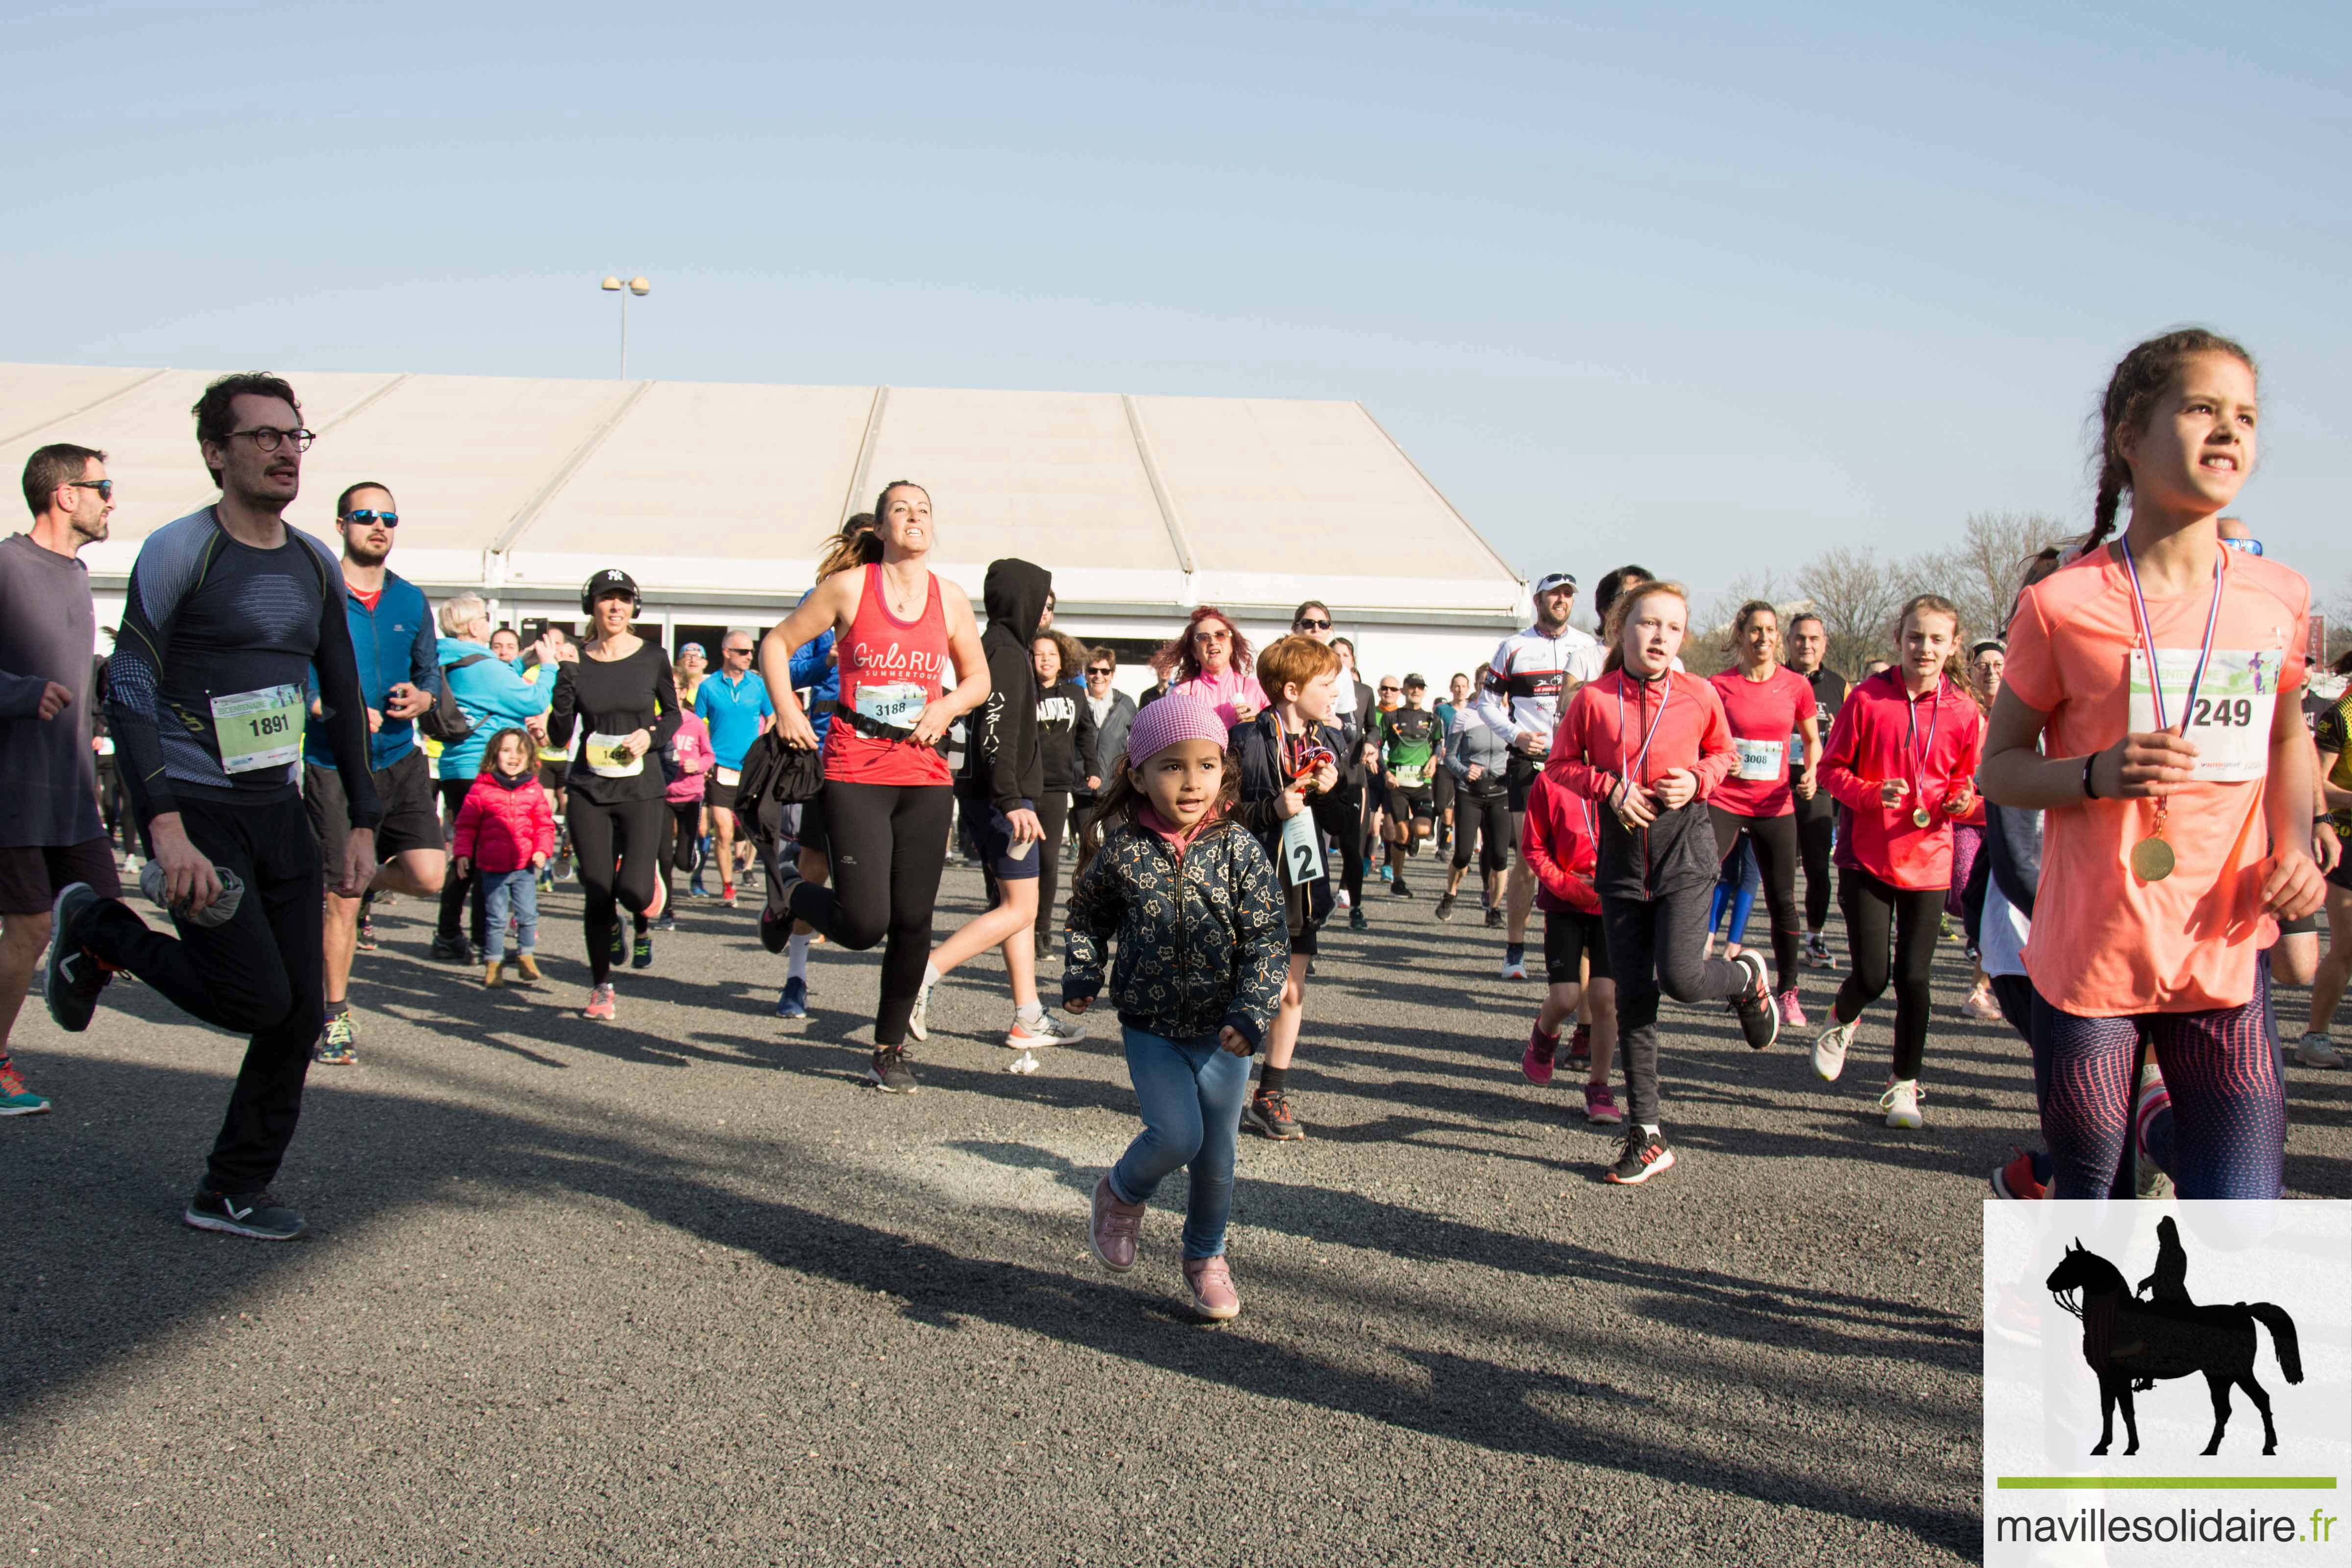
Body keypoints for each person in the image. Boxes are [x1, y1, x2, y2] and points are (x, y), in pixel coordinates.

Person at [1978, 328, 2323, 1200]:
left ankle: (2155, 1126)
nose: (2229, 431)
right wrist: (2095, 774)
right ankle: (2069, 1317)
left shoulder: (2277, 596)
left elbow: (2288, 737)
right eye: (2202, 408)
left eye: (2245, 416)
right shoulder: (2061, 606)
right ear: (2130, 435)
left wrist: (2297, 845)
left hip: (2224, 943)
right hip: (2097, 954)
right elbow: (2003, 769)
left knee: (2242, 1210)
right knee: (2093, 1200)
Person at [48, 373, 380, 1240]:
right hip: (195, 806)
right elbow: (127, 682)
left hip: (280, 808)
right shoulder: (180, 550)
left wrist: (362, 823)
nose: (284, 452)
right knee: (256, 1000)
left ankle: (230, 1190)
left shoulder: (312, 561)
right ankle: (102, 930)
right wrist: (163, 828)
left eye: (295, 437)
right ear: (216, 454)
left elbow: (341, 690)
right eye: (264, 437)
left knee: (303, 1011)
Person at [1545, 579, 1779, 1185]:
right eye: (1649, 624)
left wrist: (1697, 781)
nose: (1660, 637)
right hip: (1621, 866)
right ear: (1622, 628)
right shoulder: (1593, 699)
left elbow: (1724, 754)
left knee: (1680, 976)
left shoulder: (1699, 694)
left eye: (1673, 628)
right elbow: (1561, 766)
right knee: (1633, 999)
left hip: (1684, 855)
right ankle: (1647, 1131)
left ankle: (1746, 978)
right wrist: (1609, 787)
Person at [761, 483, 991, 1091]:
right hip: (854, 767)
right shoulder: (849, 587)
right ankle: (791, 895)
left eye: (924, 510)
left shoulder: (952, 598)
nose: (914, 518)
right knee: (864, 924)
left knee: (914, 919)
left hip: (924, 773)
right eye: (901, 510)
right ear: (883, 527)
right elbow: (776, 643)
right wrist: (787, 711)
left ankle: (888, 1050)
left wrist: (947, 707)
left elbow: (979, 679)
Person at [1069, 697, 1288, 1322]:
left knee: (1218, 1157)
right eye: (1171, 767)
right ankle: (1120, 1193)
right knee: (1178, 1134)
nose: (1191, 781)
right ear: (1138, 774)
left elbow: (1269, 938)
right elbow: (1088, 915)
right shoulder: (1121, 849)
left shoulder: (1241, 849)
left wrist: (1252, 1011)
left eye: (1206, 765)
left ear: (1225, 770)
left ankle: (1205, 1257)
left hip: (1226, 1033)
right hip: (1152, 1027)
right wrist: (1084, 970)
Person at [1810, 595, 1984, 1128]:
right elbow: (1831, 771)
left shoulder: (1963, 710)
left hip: (1929, 856)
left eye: (1936, 639)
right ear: (1898, 637)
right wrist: (1869, 794)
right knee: (1872, 973)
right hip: (1867, 854)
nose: (1924, 647)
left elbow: (1974, 786)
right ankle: (1841, 1018)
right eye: (1915, 637)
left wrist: (1963, 802)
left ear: (1953, 645)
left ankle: (1903, 1085)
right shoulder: (1867, 698)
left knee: (1914, 976)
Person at [913, 559, 1086, 1065]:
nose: (1045, 610)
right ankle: (921, 975)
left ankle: (1028, 1015)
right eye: (1042, 599)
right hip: (1003, 800)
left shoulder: (995, 646)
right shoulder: (1008, 654)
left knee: (1020, 909)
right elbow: (996, 733)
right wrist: (1013, 800)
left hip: (989, 795)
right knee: (1020, 909)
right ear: (1023, 600)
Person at [303, 483, 444, 1064]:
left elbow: (430, 673)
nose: (378, 525)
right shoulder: (315, 592)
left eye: (388, 517)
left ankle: (368, 885)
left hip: (399, 759)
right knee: (340, 896)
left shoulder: (411, 600)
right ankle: (334, 1016)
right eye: (365, 516)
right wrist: (332, 707)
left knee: (430, 876)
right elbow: (290, 675)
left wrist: (422, 697)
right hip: (334, 763)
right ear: (342, 524)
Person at [0, 444, 117, 1117]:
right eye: (102, 486)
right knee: (30, 928)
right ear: (64, 494)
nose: (111, 500)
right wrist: (20, 693)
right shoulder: (5, 566)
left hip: (72, 791)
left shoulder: (75, 574)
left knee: (108, 918)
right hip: (12, 788)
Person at [539, 568, 678, 1018]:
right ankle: (601, 986)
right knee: (597, 890)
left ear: (634, 607)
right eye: (606, 599)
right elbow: (560, 733)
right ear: (592, 607)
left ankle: (639, 902)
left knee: (634, 892)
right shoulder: (576, 660)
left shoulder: (653, 656)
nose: (615, 607)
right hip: (589, 788)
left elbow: (673, 716)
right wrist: (563, 676)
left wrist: (650, 736)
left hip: (641, 787)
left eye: (623, 599)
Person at [1229, 634, 1346, 1140]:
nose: (1335, 694)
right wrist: (1272, 810)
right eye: (1327, 684)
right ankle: (1222, 1085)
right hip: (1252, 875)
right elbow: (1223, 811)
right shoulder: (1246, 738)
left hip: (1303, 875)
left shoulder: (1331, 741)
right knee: (1246, 986)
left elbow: (1349, 817)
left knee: (1292, 991)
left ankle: (1270, 1093)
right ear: (1292, 689)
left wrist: (1338, 784)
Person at [765, 515, 870, 1020]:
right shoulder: (824, 597)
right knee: (816, 863)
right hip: (827, 745)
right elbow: (784, 662)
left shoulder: (905, 601)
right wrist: (827, 662)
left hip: (884, 751)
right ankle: (796, 978)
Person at [1475, 572, 1600, 979]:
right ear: (1538, 601)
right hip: (1530, 760)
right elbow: (1486, 705)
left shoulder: (1588, 647)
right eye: (1554, 596)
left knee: (1580, 857)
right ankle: (1515, 950)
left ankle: (1573, 947)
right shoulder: (1513, 647)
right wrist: (1516, 734)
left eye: (1568, 596)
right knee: (1528, 860)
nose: (1562, 602)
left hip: (1579, 763)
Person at [1706, 601, 1823, 1029]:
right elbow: (1703, 739)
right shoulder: (1719, 685)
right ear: (1742, 635)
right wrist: (1721, 759)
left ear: (1779, 637)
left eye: (1770, 631)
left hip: (1775, 804)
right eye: (1755, 630)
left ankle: (1789, 991)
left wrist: (1811, 773)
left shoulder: (1796, 686)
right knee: (1698, 878)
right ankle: (1686, 964)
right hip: (1726, 800)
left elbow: (1811, 740)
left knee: (1782, 901)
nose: (1764, 638)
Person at [432, 595, 554, 961]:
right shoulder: (483, 666)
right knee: (490, 857)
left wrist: (523, 661)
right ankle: (481, 938)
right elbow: (532, 701)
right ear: (473, 626)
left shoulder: (453, 659)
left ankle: (455, 933)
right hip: (484, 770)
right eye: (486, 619)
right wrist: (548, 667)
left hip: (457, 766)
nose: (489, 624)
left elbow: (492, 685)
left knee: (468, 852)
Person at [1518, 766, 1620, 1125]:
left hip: (1614, 901)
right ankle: (1545, 1033)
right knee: (1566, 998)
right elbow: (1533, 847)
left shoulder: (1628, 776)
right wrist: (1572, 887)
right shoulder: (1549, 781)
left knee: (1606, 997)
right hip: (1565, 900)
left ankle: (1600, 1087)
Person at [451, 727, 553, 987]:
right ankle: (494, 964)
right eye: (506, 750)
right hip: (492, 867)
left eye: (519, 751)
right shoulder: (481, 790)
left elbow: (544, 825)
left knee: (528, 916)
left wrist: (542, 850)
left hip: (523, 867)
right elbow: (465, 826)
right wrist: (462, 854)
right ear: (494, 754)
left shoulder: (533, 790)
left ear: (529, 757)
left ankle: (526, 956)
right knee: (496, 919)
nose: (513, 757)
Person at [1784, 611, 1850, 970]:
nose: (1806, 645)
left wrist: (1818, 773)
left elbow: (1846, 741)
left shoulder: (1840, 686)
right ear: (1788, 642)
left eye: (1814, 639)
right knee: (1773, 872)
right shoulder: (1773, 679)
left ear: (1824, 644)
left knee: (1817, 870)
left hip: (1817, 788)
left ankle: (1815, 938)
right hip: (1774, 787)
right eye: (1799, 638)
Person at [1300, 612, 1372, 929]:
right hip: (1305, 768)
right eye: (1308, 623)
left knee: (1351, 846)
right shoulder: (1286, 661)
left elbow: (1363, 729)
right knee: (1309, 845)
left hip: (1348, 773)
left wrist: (1345, 728)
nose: (1316, 629)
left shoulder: (1361, 688)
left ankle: (1354, 905)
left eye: (1323, 624)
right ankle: (1306, 920)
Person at [694, 628, 774, 907]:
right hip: (719, 767)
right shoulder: (709, 687)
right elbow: (697, 724)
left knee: (750, 830)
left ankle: (751, 870)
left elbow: (773, 716)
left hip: (751, 770)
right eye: (743, 652)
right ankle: (728, 888)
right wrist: (702, 757)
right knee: (724, 831)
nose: (749, 656)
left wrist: (766, 748)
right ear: (727, 653)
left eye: (751, 651)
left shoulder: (757, 686)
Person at [2301, 650, 2352, 1067]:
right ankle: (2315, 1037)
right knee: (2346, 949)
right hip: (2348, 842)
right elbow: (2316, 784)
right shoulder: (2341, 715)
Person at [1030, 629, 1094, 963]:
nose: (1045, 659)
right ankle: (1012, 922)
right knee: (1014, 861)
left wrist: (1093, 767)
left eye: (1051, 654)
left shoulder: (1075, 694)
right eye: (1039, 653)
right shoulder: (1021, 692)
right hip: (1022, 787)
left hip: (1057, 787)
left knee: (1047, 861)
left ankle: (1042, 931)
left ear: (1062, 659)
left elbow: (1087, 732)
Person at [1953, 637, 2008, 1020]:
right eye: (1983, 665)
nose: (1991, 671)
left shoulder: (2023, 713)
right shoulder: (1963, 713)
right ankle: (1981, 946)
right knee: (1963, 892)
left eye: (1998, 664)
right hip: (1967, 817)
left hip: (2008, 820)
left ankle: (1980, 987)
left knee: (1996, 903)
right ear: (1971, 672)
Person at [1437, 683, 1514, 925]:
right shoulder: (1464, 717)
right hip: (1470, 792)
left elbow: (1517, 754)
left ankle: (1494, 909)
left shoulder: (1509, 718)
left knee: (1500, 856)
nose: (1490, 690)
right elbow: (1449, 757)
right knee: (1463, 854)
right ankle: (1450, 893)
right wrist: (1463, 771)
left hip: (1501, 792)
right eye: (1484, 685)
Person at [1374, 674, 1442, 898]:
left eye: (1420, 687)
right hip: (1397, 783)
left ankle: (1414, 838)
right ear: (1403, 690)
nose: (1416, 690)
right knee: (1401, 835)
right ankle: (1398, 880)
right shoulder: (1390, 717)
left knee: (1422, 830)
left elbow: (1438, 745)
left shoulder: (1433, 720)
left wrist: (1434, 759)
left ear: (1424, 691)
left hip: (1422, 783)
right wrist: (1386, 773)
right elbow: (1377, 748)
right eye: (1411, 687)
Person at [662, 662, 713, 928]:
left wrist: (699, 766)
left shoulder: (694, 723)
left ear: (684, 692)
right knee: (663, 856)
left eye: (675, 687)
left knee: (683, 861)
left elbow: (709, 755)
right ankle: (666, 910)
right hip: (662, 796)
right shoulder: (655, 723)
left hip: (691, 795)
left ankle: (691, 851)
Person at [1155, 606, 1267, 729]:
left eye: (1220, 635)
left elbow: (1279, 735)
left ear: (1232, 646)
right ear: (1194, 652)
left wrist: (1261, 719)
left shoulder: (1256, 689)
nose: (1213, 642)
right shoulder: (1182, 695)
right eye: (1203, 638)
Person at [1076, 645, 1136, 830]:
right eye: (1093, 671)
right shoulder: (1076, 702)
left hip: (1114, 788)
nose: (1098, 676)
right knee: (1087, 847)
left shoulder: (1126, 704)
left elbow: (1135, 745)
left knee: (1115, 843)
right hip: (1083, 786)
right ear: (1086, 674)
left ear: (1112, 673)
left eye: (1105, 671)